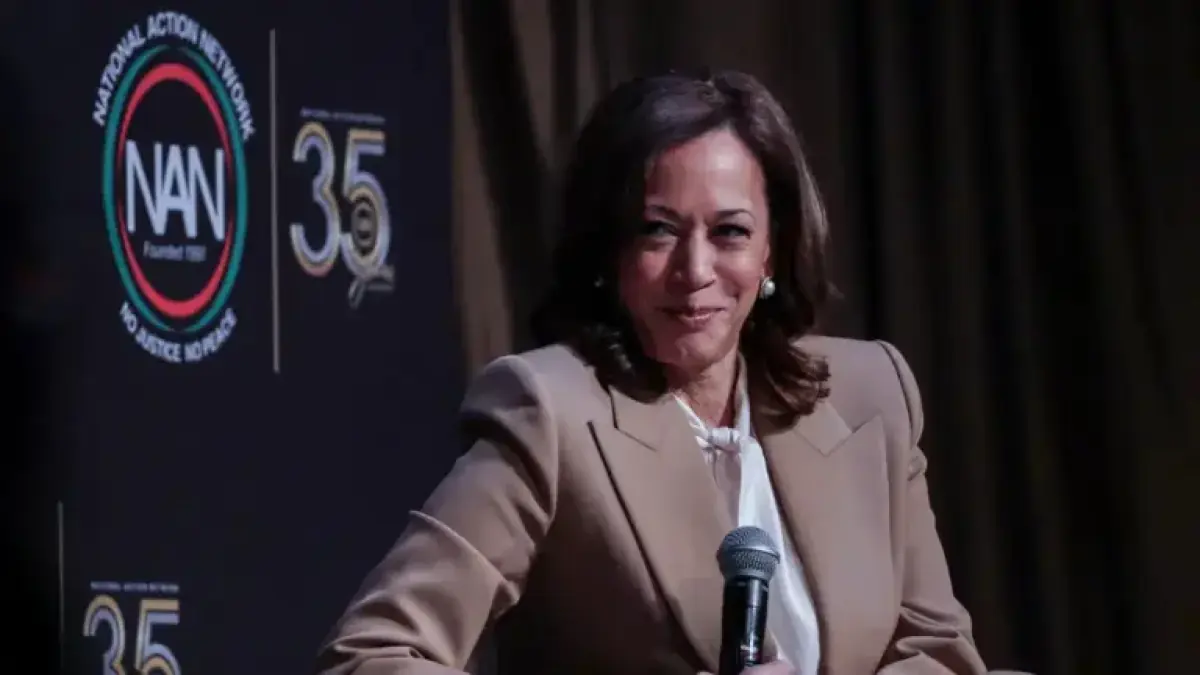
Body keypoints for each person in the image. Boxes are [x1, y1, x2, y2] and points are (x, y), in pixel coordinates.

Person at [314, 69, 988, 675]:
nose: (694, 271)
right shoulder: (549, 414)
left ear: (772, 251)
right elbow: (371, 654)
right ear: (608, 249)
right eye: (658, 230)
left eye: (729, 232)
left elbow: (939, 653)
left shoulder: (871, 392)